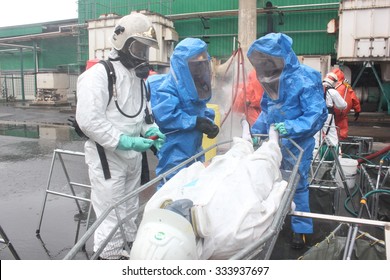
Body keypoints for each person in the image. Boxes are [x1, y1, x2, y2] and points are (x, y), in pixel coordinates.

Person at [75, 12, 165, 260]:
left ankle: (128, 250)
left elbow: (143, 116)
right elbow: (88, 120)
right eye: (138, 48)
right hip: (108, 158)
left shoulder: (139, 80)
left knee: (129, 208)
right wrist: (123, 141)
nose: (142, 55)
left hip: (132, 156)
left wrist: (152, 131)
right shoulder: (99, 75)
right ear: (121, 43)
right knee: (111, 212)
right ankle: (108, 258)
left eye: (145, 50)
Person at [130, 127, 288, 260]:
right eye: (181, 219)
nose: (178, 207)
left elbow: (179, 180)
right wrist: (280, 190)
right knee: (264, 161)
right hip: (247, 181)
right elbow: (270, 209)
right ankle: (272, 141)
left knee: (231, 156)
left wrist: (201, 167)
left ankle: (244, 140)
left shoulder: (154, 208)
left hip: (212, 174)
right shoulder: (232, 237)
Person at [247, 33, 328, 249]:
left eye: (270, 60)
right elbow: (267, 110)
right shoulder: (270, 81)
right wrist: (257, 131)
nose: (267, 66)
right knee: (274, 182)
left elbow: (316, 115)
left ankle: (301, 230)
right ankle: (277, 222)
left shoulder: (305, 78)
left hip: (298, 144)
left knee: (297, 186)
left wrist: (291, 127)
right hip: (275, 143)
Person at [151, 37, 219, 189]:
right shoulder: (168, 87)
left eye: (202, 64)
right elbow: (166, 116)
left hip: (195, 145)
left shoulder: (196, 84)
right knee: (172, 184)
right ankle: (164, 212)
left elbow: (201, 107)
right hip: (175, 147)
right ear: (183, 65)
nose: (200, 69)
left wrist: (209, 123)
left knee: (194, 181)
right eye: (195, 65)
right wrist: (195, 122)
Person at [314, 71, 347, 160]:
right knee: (332, 136)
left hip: (316, 115)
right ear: (334, 81)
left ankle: (315, 158)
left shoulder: (316, 89)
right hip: (328, 116)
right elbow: (343, 105)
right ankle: (337, 157)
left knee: (317, 136)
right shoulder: (332, 91)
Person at [331, 68, 361, 140]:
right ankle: (341, 142)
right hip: (342, 112)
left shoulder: (329, 85)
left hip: (330, 111)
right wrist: (357, 110)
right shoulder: (346, 86)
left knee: (329, 127)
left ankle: (327, 142)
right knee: (342, 126)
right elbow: (354, 98)